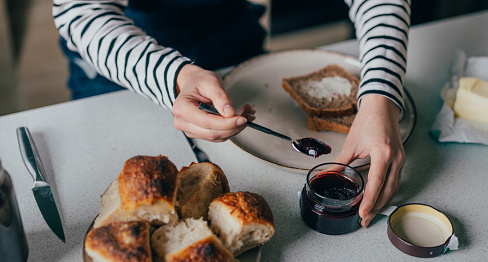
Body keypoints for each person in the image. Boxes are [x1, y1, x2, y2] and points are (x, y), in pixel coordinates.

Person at [53, 0, 410, 227]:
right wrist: (171, 77)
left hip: (231, 41)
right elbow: (81, 11)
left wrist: (380, 94)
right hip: (118, 73)